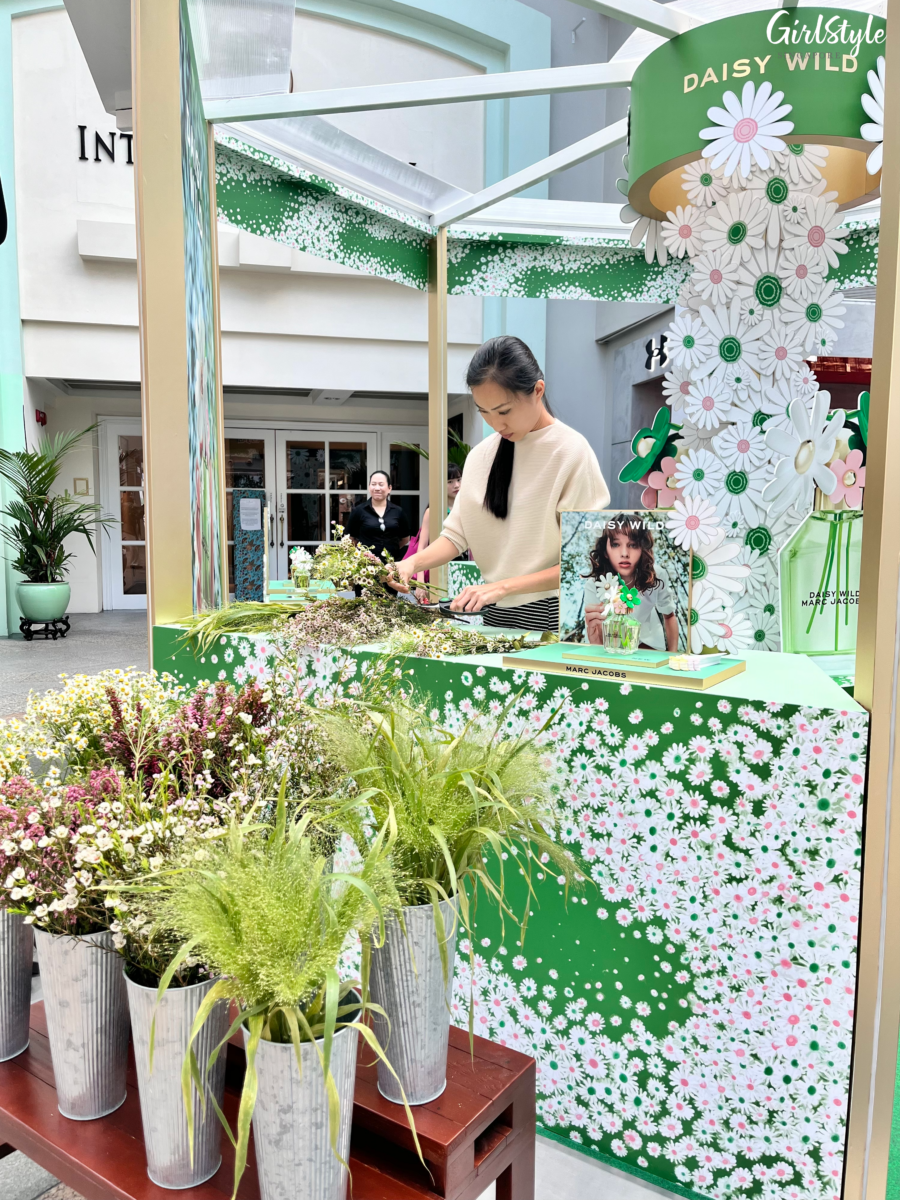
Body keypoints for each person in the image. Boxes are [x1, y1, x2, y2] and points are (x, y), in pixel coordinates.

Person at [395, 336, 610, 631]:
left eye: (504, 411)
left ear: (538, 390)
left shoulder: (571, 451)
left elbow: (586, 562)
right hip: (493, 612)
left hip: (555, 615)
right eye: (484, 412)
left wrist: (501, 588)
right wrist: (411, 564)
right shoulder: (481, 456)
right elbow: (456, 536)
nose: (496, 424)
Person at [582, 514, 678, 651]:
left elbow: (669, 616)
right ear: (605, 551)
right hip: (609, 649)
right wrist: (595, 637)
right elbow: (596, 643)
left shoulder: (657, 576)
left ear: (643, 548)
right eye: (615, 544)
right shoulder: (594, 585)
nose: (625, 553)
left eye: (633, 545)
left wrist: (672, 654)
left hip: (648, 645)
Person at [406, 463, 465, 603]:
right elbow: (421, 547)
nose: (456, 485)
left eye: (459, 479)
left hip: (462, 569)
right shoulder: (432, 512)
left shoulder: (467, 508)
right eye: (450, 482)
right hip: (437, 569)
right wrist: (420, 582)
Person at [344, 470, 410, 564]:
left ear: (389, 488)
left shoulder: (398, 511)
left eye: (381, 484)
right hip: (365, 566)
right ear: (369, 487)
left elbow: (405, 538)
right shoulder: (359, 511)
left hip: (393, 563)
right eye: (373, 484)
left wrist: (391, 549)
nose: (377, 488)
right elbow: (350, 538)